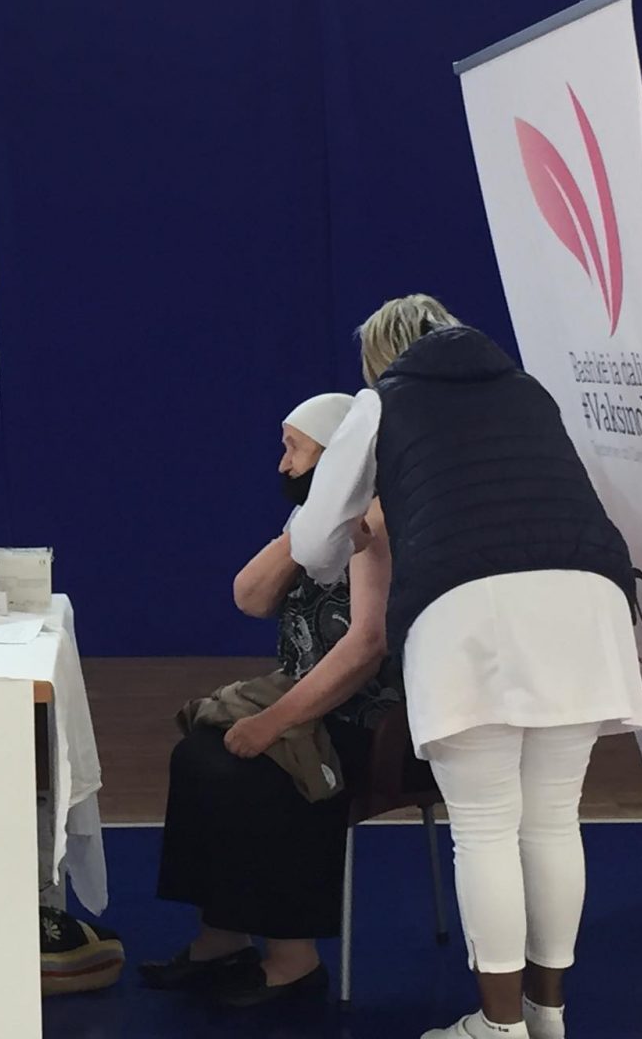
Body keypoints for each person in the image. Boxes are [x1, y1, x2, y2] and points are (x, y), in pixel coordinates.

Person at [290, 295, 642, 1039]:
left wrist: (349, 540)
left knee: (484, 828)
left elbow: (314, 538)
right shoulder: (527, 389)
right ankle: (546, 1015)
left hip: (467, 610)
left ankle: (498, 1027)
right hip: (587, 600)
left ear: (381, 357)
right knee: (553, 819)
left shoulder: (381, 402)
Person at [140, 393, 398, 1008]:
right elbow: (250, 596)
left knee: (264, 770)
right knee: (198, 756)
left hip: (368, 715)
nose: (284, 465)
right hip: (312, 696)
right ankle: (222, 937)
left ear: (338, 456)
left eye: (295, 450)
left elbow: (365, 649)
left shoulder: (379, 524)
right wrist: (313, 514)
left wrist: (271, 723)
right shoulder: (321, 522)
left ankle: (294, 960)